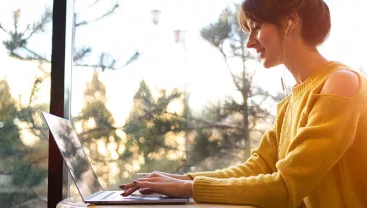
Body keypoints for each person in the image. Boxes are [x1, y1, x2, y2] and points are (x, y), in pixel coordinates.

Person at [119, 0, 367, 207]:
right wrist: (180, 179)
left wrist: (188, 187)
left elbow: (285, 186)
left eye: (257, 27)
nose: (250, 42)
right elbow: (259, 167)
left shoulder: (341, 83)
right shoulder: (292, 101)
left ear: (291, 21)